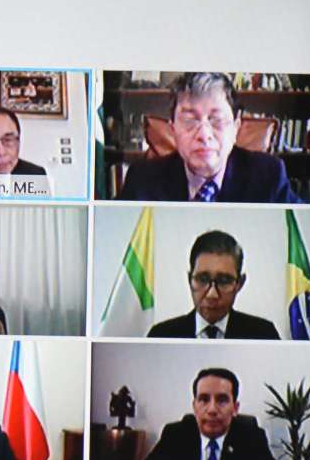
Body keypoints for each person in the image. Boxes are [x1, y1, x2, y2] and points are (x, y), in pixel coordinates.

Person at [118, 72, 298, 203]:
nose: (204, 135)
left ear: (235, 128)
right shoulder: (142, 180)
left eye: (216, 119)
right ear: (173, 129)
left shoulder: (268, 176)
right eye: (189, 120)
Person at [137, 368, 283, 460]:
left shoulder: (252, 439)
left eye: (222, 400)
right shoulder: (174, 435)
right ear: (194, 407)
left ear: (235, 408)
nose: (212, 409)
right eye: (204, 399)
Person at [147, 231, 280, 340]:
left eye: (224, 281)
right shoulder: (161, 335)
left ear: (240, 283)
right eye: (202, 279)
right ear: (189, 280)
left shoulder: (264, 334)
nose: (212, 294)